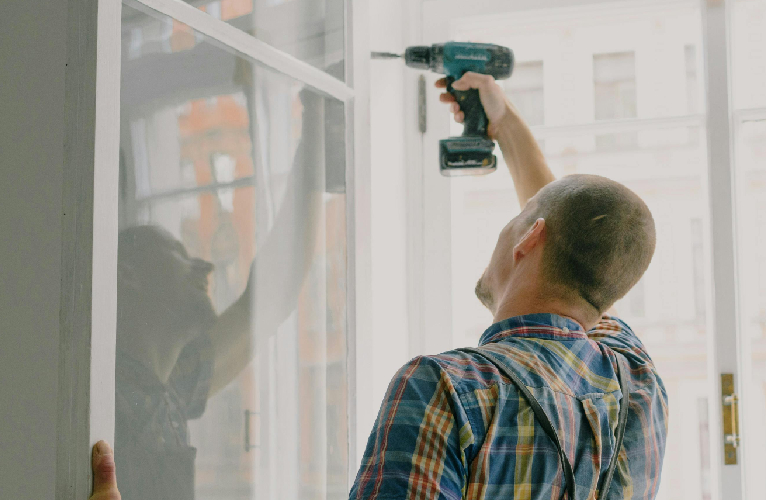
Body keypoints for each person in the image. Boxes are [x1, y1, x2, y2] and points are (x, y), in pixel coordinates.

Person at [88, 71, 668, 500]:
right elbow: (585, 258)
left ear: (527, 240)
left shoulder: (449, 391)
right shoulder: (636, 384)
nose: (204, 267)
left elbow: (572, 242)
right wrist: (505, 125)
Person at [112, 90, 324, 499]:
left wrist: (315, 139)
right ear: (129, 276)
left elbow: (269, 299)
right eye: (178, 254)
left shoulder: (168, 385)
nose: (205, 266)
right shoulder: (108, 395)